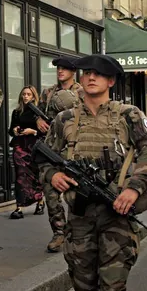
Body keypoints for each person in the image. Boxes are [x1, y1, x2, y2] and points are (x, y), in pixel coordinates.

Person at [37, 54, 147, 291]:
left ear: (111, 80)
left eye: (98, 73)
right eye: (87, 73)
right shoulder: (64, 119)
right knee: (83, 286)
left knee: (112, 289)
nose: (91, 77)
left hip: (116, 216)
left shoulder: (130, 116)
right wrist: (52, 176)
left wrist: (134, 188)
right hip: (79, 219)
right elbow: (44, 157)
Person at [36, 55, 84, 253]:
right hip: (52, 147)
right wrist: (39, 121)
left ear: (73, 72)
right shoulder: (48, 92)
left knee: (77, 192)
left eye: (64, 69)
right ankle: (59, 232)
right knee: (50, 192)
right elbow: (38, 113)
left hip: (75, 148)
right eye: (58, 69)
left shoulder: (81, 92)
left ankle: (78, 232)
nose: (60, 71)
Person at [8, 85, 44, 219]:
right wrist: (15, 130)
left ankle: (40, 201)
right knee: (20, 174)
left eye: (29, 94)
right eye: (24, 94)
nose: (25, 97)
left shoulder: (38, 112)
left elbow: (46, 130)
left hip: (34, 146)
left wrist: (33, 131)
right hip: (20, 146)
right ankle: (19, 206)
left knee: (34, 174)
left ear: (34, 96)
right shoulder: (17, 112)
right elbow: (10, 129)